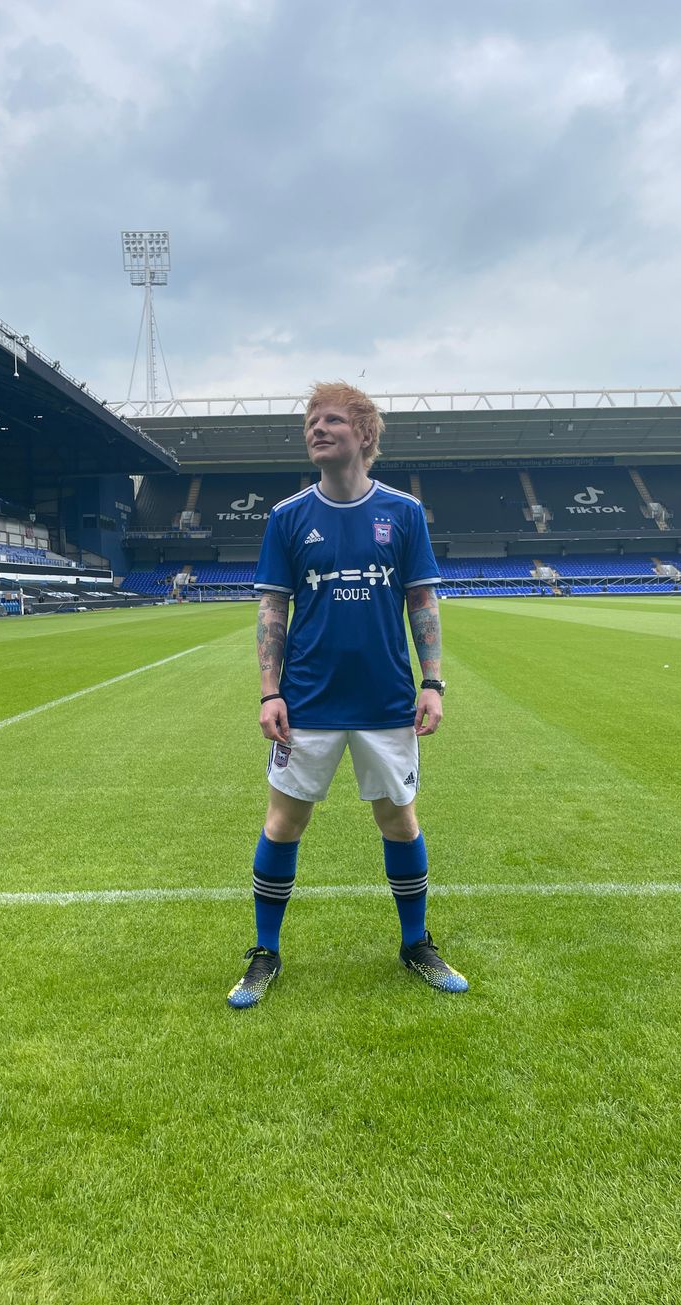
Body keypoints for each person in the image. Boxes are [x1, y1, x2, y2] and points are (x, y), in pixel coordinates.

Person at [227, 381, 467, 1008]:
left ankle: (415, 943)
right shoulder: (287, 517)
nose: (316, 428)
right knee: (284, 822)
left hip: (386, 700)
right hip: (308, 701)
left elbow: (422, 600)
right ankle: (265, 952)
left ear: (363, 434)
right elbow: (272, 608)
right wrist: (269, 692)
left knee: (399, 819)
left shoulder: (403, 513)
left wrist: (432, 682)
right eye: (311, 420)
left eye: (331, 419)